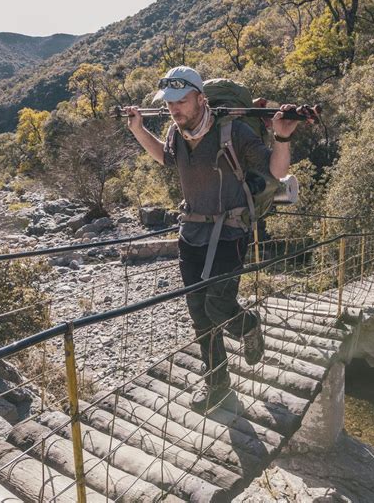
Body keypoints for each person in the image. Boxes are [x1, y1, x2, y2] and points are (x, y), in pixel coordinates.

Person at [125, 66, 308, 412]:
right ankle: (218, 384)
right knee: (199, 314)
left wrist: (282, 138)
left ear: (200, 98)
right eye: (169, 103)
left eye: (181, 101)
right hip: (191, 234)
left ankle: (249, 326)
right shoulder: (176, 134)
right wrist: (138, 130)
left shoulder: (232, 130)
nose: (174, 108)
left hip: (230, 233)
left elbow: (275, 171)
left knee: (218, 306)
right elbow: (166, 158)